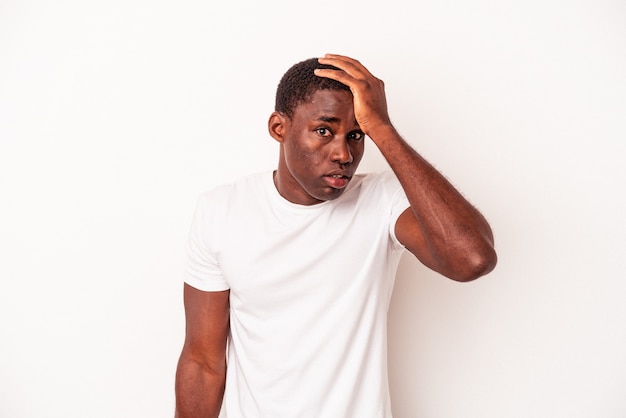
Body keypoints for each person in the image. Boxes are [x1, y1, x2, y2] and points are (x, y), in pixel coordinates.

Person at [174, 53, 497, 417]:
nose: (344, 153)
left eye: (357, 135)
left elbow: (472, 259)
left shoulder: (383, 200)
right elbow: (203, 362)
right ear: (279, 128)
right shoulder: (222, 210)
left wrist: (384, 128)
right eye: (324, 130)